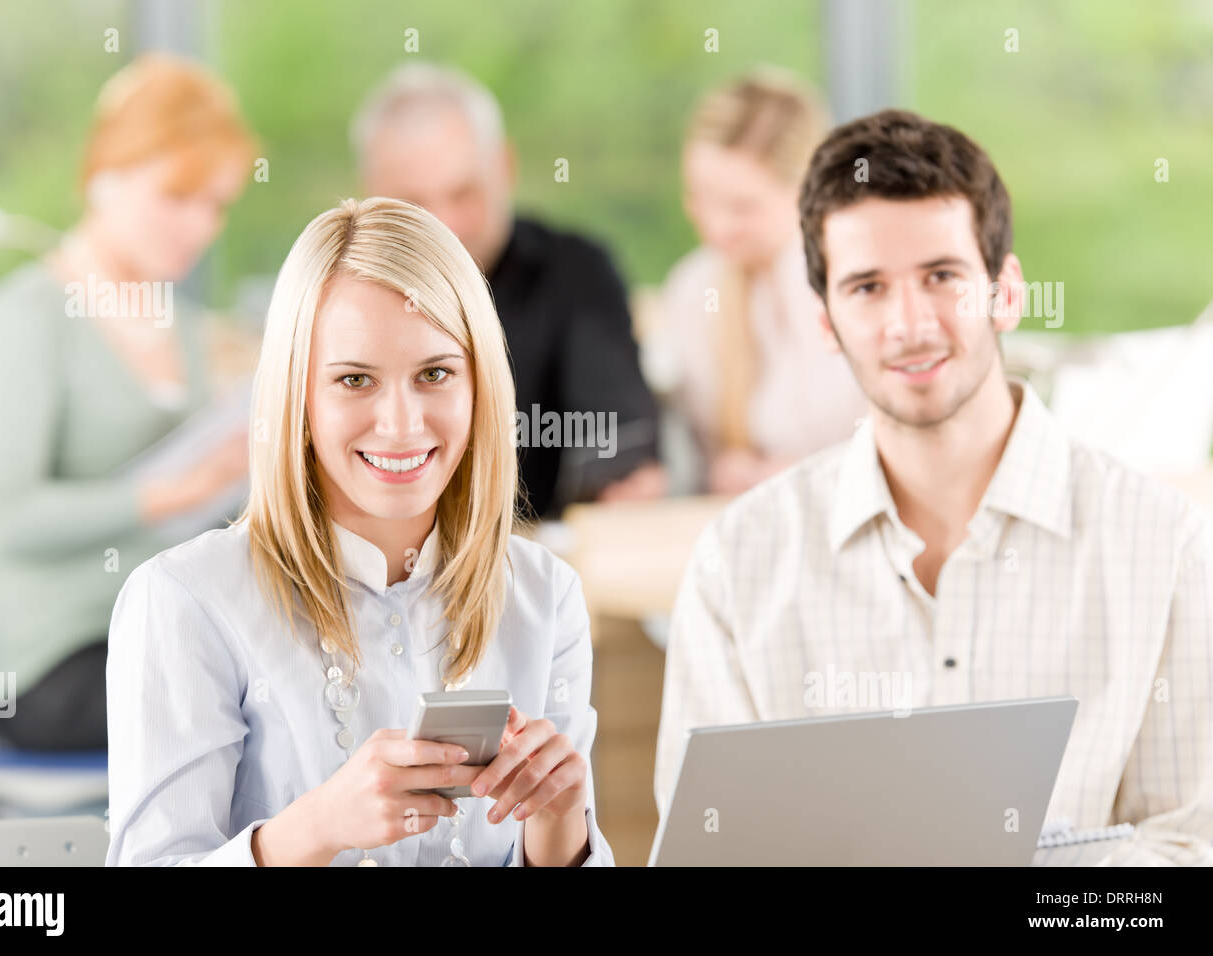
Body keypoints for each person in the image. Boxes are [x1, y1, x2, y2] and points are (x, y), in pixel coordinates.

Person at [655, 109, 1213, 864]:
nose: (908, 324)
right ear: (827, 322)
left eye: (942, 277)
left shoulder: (1162, 545)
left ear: (1006, 292)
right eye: (868, 288)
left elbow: (1189, 850)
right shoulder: (740, 561)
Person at [105, 197, 615, 867]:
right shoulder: (184, 602)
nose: (401, 424)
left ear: (479, 385)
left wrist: (560, 831)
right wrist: (314, 829)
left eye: (435, 373)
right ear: (299, 399)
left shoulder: (545, 595)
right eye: (354, 380)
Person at [0, 53, 256, 751]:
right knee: (255, 705)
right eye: (177, 198)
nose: (201, 226)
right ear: (106, 178)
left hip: (157, 623)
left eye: (216, 204)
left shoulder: (176, 319)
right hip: (51, 661)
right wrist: (171, 492)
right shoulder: (29, 317)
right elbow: (4, 518)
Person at [351, 62, 666, 520]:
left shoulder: (576, 273)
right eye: (414, 204)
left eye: (464, 194)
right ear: (371, 194)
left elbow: (621, 436)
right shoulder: (343, 299)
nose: (446, 227)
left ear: (505, 166)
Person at [652, 66, 865, 495]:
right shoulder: (694, 286)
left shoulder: (854, 284)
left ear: (807, 188)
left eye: (742, 207)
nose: (716, 226)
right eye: (701, 198)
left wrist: (802, 474)